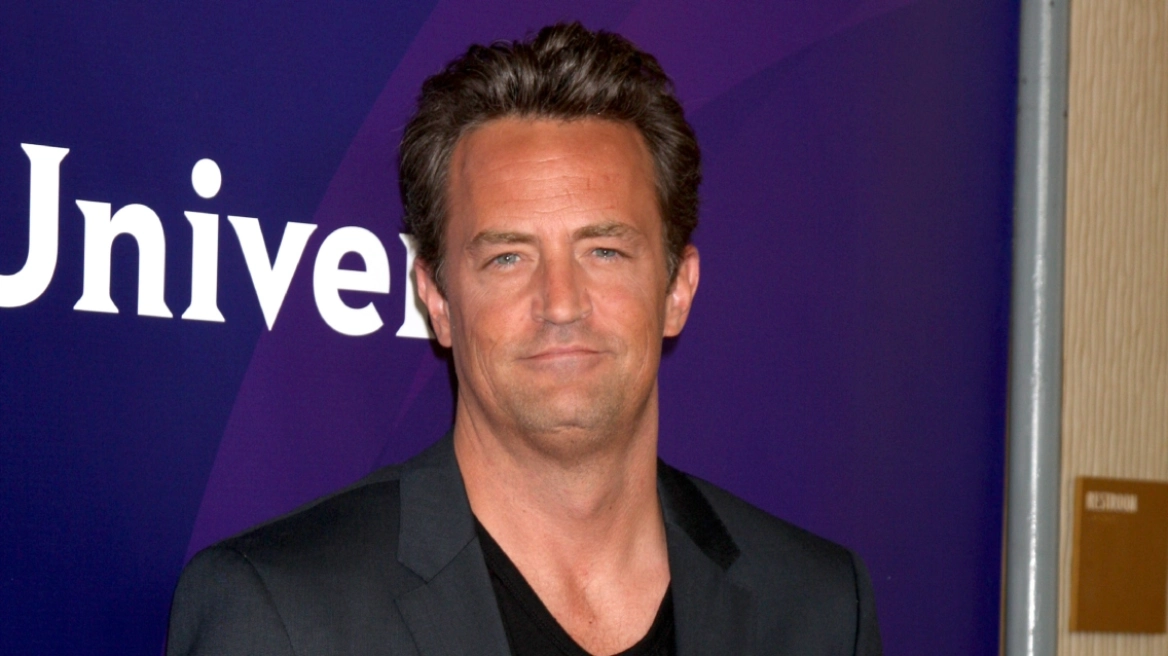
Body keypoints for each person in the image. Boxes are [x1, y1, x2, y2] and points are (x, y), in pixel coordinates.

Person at [167, 22, 881, 656]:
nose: (561, 303)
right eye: (508, 257)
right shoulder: (282, 615)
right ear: (437, 300)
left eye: (605, 251)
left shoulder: (818, 609)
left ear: (677, 289)